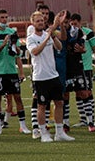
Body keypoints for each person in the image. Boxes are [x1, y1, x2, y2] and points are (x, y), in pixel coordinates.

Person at [26, 9, 74, 142]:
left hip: (53, 75)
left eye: (42, 20)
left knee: (59, 102)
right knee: (42, 105)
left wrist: (53, 34)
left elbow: (59, 46)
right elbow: (35, 52)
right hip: (40, 77)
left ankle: (59, 132)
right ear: (33, 23)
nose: (41, 23)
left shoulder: (48, 34)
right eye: (38, 21)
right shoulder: (31, 38)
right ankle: (43, 133)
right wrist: (47, 37)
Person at [0, 9, 29, 135]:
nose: (4, 20)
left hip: (11, 71)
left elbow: (18, 54)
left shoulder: (12, 32)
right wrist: (4, 44)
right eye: (2, 17)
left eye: (6, 17)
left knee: (18, 98)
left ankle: (23, 126)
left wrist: (16, 50)